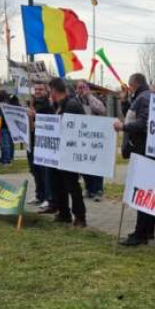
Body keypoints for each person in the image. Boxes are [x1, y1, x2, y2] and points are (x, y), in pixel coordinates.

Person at [114, 73, 155, 245]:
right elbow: (134, 114)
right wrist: (125, 101)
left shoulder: (144, 98)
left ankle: (141, 234)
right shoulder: (142, 97)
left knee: (143, 193)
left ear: (133, 84)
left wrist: (123, 126)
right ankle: (148, 231)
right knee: (146, 192)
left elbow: (144, 123)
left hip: (143, 151)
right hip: (144, 150)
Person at [48, 77, 87, 227]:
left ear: (54, 90)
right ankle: (64, 213)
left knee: (71, 184)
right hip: (59, 152)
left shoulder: (71, 105)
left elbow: (71, 128)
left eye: (50, 90)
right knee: (58, 183)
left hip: (70, 152)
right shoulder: (59, 105)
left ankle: (80, 216)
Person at [26, 82, 56, 212]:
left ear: (46, 91)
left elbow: (49, 120)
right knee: (34, 170)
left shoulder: (49, 104)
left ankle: (49, 198)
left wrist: (35, 116)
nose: (38, 91)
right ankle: (40, 194)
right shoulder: (32, 103)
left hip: (43, 143)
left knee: (44, 172)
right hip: (32, 141)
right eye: (36, 89)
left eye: (41, 89)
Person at [76, 81, 106, 201]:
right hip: (82, 137)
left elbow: (101, 110)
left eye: (83, 87)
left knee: (96, 165)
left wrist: (89, 96)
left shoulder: (94, 99)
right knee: (84, 164)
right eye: (79, 88)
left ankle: (98, 189)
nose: (81, 90)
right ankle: (89, 188)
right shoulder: (76, 101)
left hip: (94, 137)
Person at [0, 91, 16, 166]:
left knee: (5, 143)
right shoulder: (9, 103)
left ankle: (6, 160)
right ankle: (7, 158)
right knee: (8, 143)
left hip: (4, 126)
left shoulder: (3, 105)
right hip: (8, 126)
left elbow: (1, 116)